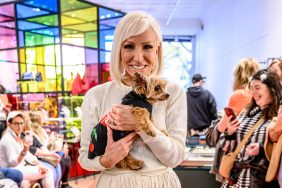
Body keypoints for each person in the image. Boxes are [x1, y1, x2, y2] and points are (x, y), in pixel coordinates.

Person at [78, 11, 187, 188]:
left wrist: (141, 125)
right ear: (118, 50)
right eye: (129, 46)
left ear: (157, 49)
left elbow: (175, 157)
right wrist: (107, 159)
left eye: (147, 47)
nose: (138, 57)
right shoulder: (96, 95)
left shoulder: (171, 92)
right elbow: (85, 158)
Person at [219, 69, 281, 187]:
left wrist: (262, 148)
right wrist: (230, 132)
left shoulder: (279, 114)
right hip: (236, 178)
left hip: (261, 180)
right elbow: (226, 146)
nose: (253, 92)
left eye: (257, 87)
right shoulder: (247, 111)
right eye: (251, 88)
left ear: (271, 88)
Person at [211, 57, 260, 182]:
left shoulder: (238, 95)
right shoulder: (261, 95)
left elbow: (223, 127)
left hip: (235, 152)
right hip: (255, 155)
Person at [0, 111, 55, 188]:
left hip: (19, 168)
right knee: (48, 171)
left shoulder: (17, 136)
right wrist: (24, 151)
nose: (19, 126)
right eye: (16, 123)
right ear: (9, 124)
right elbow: (12, 163)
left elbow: (28, 154)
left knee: (45, 169)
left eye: (21, 123)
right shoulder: (7, 139)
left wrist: (38, 163)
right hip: (11, 171)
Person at [29, 112, 72, 188]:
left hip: (45, 154)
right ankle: (62, 184)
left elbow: (43, 146)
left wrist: (52, 144)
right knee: (60, 160)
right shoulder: (31, 133)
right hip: (40, 158)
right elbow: (37, 149)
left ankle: (63, 183)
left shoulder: (41, 130)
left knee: (65, 157)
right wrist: (50, 145)